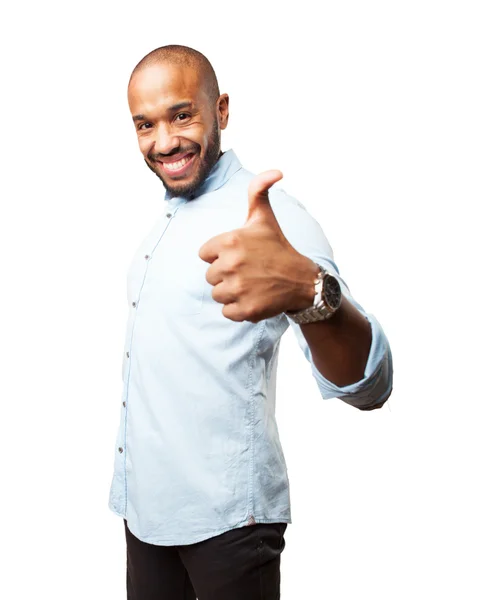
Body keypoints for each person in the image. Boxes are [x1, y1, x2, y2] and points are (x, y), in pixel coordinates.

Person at [108, 44, 393, 600]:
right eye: (145, 124)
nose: (163, 141)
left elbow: (372, 385)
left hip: (228, 526)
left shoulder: (270, 215)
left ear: (222, 111)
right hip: (144, 513)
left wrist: (313, 294)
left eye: (181, 114)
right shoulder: (165, 221)